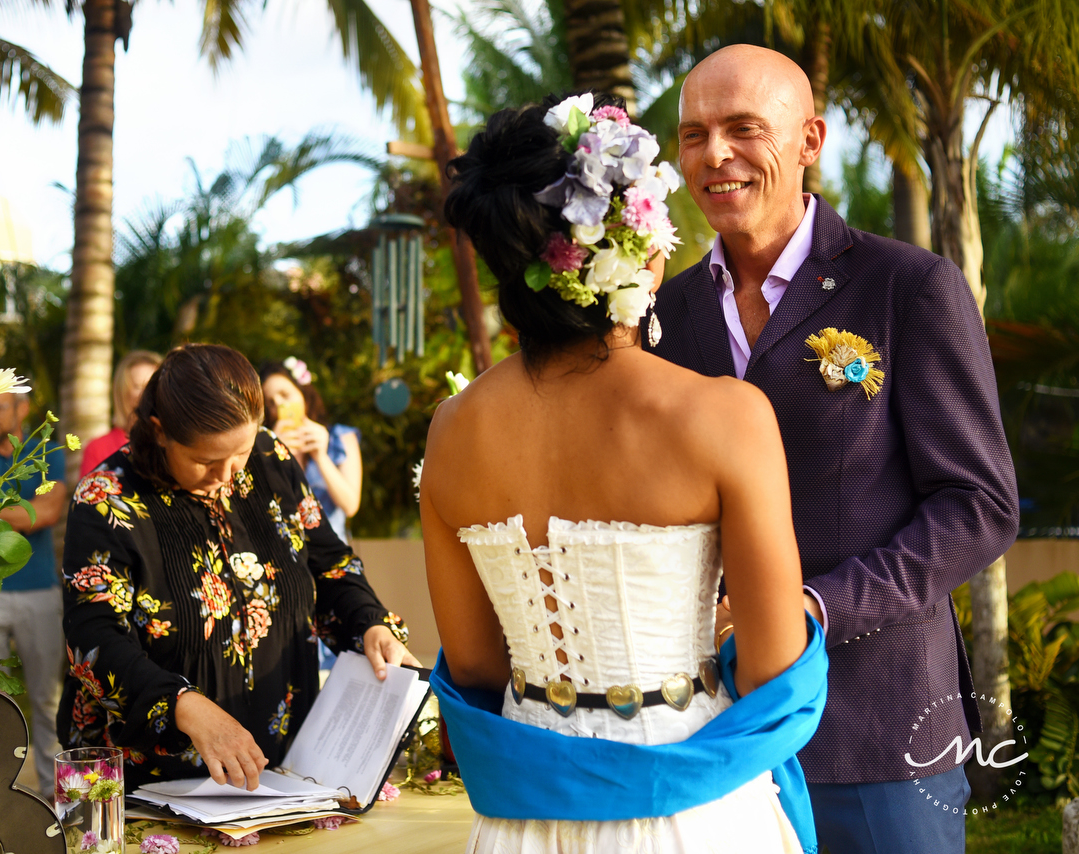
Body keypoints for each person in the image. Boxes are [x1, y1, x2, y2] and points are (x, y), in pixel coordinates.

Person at [422, 92, 824, 854]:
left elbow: (473, 662)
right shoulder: (723, 417)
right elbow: (776, 666)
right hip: (693, 810)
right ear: (640, 240)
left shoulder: (453, 430)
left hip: (523, 821)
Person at [652, 45, 1017, 854]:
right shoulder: (661, 316)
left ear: (810, 139)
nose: (715, 155)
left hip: (879, 735)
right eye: (693, 134)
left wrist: (813, 608)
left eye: (745, 128)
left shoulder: (907, 287)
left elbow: (980, 507)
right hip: (708, 737)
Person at [57, 344, 417, 791]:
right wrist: (183, 705)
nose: (228, 477)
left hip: (281, 778)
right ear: (160, 431)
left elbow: (331, 566)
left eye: (240, 453)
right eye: (206, 461)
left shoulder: (270, 460)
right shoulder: (105, 499)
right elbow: (94, 639)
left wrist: (370, 624)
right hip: (148, 783)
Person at [0, 392, 67, 797]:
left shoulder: (49, 450)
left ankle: (57, 797)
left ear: (23, 409)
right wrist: (18, 515)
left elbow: (47, 512)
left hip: (40, 591)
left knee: (48, 700)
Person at [257, 359, 362, 542]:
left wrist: (320, 456)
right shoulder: (263, 445)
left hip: (331, 554)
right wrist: (271, 451)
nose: (279, 405)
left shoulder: (341, 437)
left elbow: (350, 506)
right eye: (271, 402)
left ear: (303, 392)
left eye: (285, 394)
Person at [80, 350, 162, 475]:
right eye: (138, 386)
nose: (146, 393)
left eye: (151, 386)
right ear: (123, 392)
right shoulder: (98, 449)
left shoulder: (174, 442)